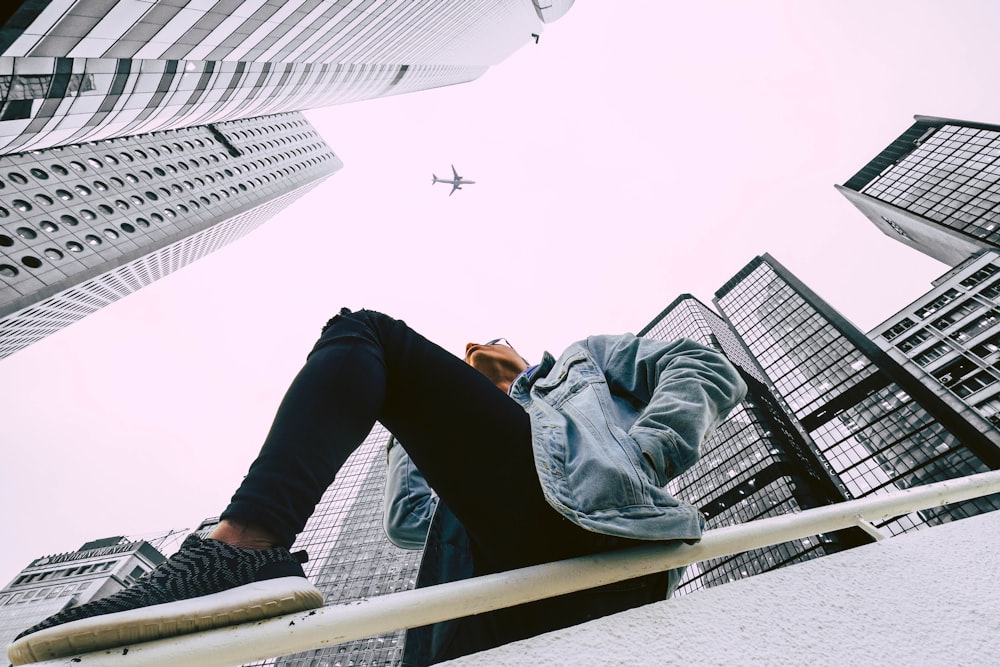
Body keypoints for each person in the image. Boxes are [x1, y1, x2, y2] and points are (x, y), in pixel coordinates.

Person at [8, 308, 746, 666]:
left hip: (592, 533)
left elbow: (707, 368)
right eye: (461, 362)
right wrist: (410, 438)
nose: (470, 357)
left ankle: (238, 551)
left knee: (366, 333)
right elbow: (405, 525)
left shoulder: (580, 363)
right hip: (480, 601)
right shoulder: (468, 449)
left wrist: (641, 454)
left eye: (486, 350)